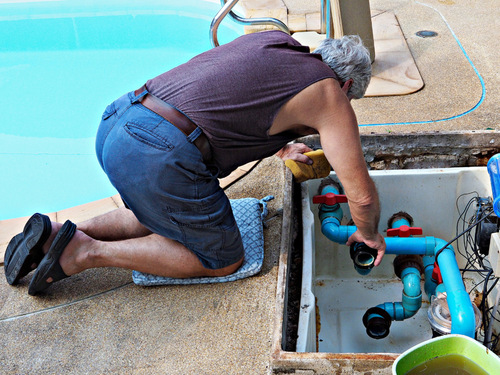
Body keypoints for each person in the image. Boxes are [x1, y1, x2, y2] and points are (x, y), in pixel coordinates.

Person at [4, 30, 386, 295]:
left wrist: (282, 147)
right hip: (160, 153)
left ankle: (60, 234)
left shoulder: (275, 42)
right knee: (222, 259)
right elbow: (362, 198)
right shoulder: (330, 94)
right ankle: (85, 252)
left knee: (162, 211)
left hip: (117, 123)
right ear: (348, 87)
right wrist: (368, 234)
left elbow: (234, 95)